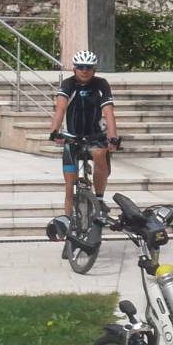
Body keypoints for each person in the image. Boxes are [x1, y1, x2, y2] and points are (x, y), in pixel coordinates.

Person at [49, 50, 122, 225]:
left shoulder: (101, 84)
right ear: (74, 68)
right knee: (69, 186)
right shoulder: (68, 84)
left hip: (94, 135)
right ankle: (67, 223)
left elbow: (108, 113)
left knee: (99, 153)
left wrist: (113, 137)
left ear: (94, 69)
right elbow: (60, 109)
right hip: (72, 136)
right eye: (81, 67)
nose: (84, 70)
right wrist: (54, 131)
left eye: (88, 67)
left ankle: (99, 198)